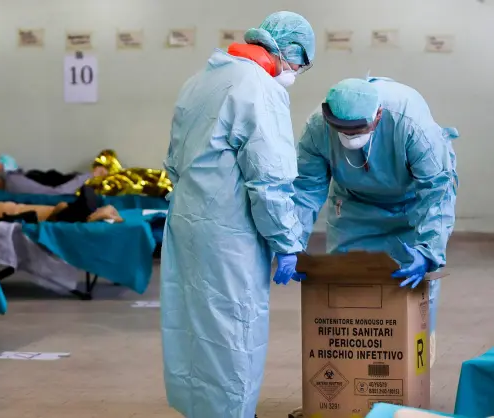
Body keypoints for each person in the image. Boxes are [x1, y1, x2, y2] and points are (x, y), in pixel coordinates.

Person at [160, 11, 315, 418]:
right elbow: (270, 180)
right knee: (234, 331)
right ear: (289, 52)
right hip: (231, 234)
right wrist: (288, 243)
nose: (297, 72)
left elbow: (173, 163)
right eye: (301, 63)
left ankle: (202, 410)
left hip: (187, 222)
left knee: (194, 325)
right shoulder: (260, 88)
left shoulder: (200, 80)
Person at [293, 77, 458, 370]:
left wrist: (428, 250)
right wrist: (290, 244)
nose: (348, 137)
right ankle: (355, 383)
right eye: (341, 130)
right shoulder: (318, 128)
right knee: (347, 285)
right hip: (355, 207)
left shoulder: (410, 124)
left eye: (357, 130)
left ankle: (413, 379)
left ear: (378, 116)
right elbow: (306, 189)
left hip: (411, 206)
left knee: (412, 292)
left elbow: (437, 191)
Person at [0, 150, 93, 195]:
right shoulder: (15, 182)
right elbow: (57, 193)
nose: (1, 158)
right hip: (81, 186)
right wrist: (90, 176)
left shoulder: (17, 175)